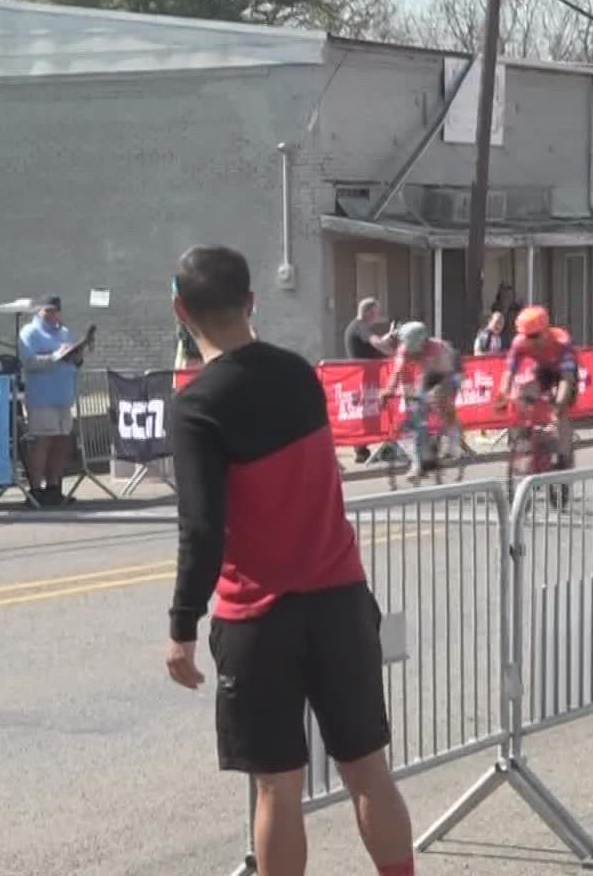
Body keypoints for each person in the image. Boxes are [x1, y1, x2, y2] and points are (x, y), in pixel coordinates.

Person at [163, 244, 415, 876]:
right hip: (340, 599)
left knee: (278, 787)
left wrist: (181, 626)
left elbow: (202, 528)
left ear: (180, 312)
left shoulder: (197, 406)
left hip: (260, 615)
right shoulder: (300, 375)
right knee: (367, 770)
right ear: (252, 302)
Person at [496, 305, 580, 470]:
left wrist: (557, 407)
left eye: (534, 336)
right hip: (543, 369)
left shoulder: (562, 342)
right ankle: (529, 436)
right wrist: (502, 395)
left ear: (546, 331)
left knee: (561, 411)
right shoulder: (520, 342)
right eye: (527, 336)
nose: (531, 341)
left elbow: (566, 379)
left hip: (565, 373)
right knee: (524, 394)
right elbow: (509, 373)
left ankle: (564, 457)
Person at [19, 296, 81, 506]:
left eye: (56, 311)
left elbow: (73, 358)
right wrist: (55, 356)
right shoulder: (30, 333)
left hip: (63, 396)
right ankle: (36, 490)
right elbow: (28, 362)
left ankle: (54, 487)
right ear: (40, 311)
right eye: (49, 311)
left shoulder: (64, 332)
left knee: (61, 442)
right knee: (42, 442)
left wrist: (78, 355)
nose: (53, 315)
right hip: (42, 398)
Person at [388, 321, 462, 483]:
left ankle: (453, 442)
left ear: (424, 343)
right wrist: (388, 391)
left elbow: (447, 379)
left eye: (416, 352)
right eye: (411, 352)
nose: (413, 355)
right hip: (427, 374)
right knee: (416, 415)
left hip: (448, 372)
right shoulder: (404, 350)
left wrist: (440, 395)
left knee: (444, 403)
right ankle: (418, 463)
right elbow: (397, 374)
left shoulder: (437, 348)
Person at [343, 298, 398, 463]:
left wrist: (387, 337)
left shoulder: (358, 328)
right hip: (366, 377)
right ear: (368, 312)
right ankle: (362, 450)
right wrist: (393, 352)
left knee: (370, 411)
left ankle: (364, 449)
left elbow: (372, 344)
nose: (378, 315)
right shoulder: (360, 327)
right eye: (376, 311)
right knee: (369, 412)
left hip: (368, 377)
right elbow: (376, 343)